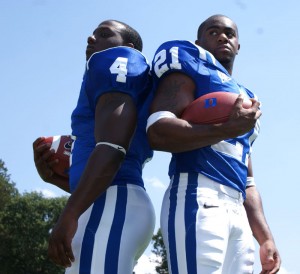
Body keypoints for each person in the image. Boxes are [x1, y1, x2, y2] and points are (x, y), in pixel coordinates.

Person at [146, 14, 280, 273]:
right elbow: (158, 131)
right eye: (213, 32)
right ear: (199, 42)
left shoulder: (247, 97)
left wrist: (265, 237)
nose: (222, 37)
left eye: (229, 33)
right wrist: (227, 128)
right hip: (199, 194)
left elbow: (248, 179)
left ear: (238, 45)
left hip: (238, 209)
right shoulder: (192, 68)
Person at [33, 19, 155, 274]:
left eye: (103, 34)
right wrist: (56, 180)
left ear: (129, 47)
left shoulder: (119, 60)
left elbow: (113, 147)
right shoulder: (116, 80)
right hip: (112, 201)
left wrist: (70, 213)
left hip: (114, 201)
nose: (90, 38)